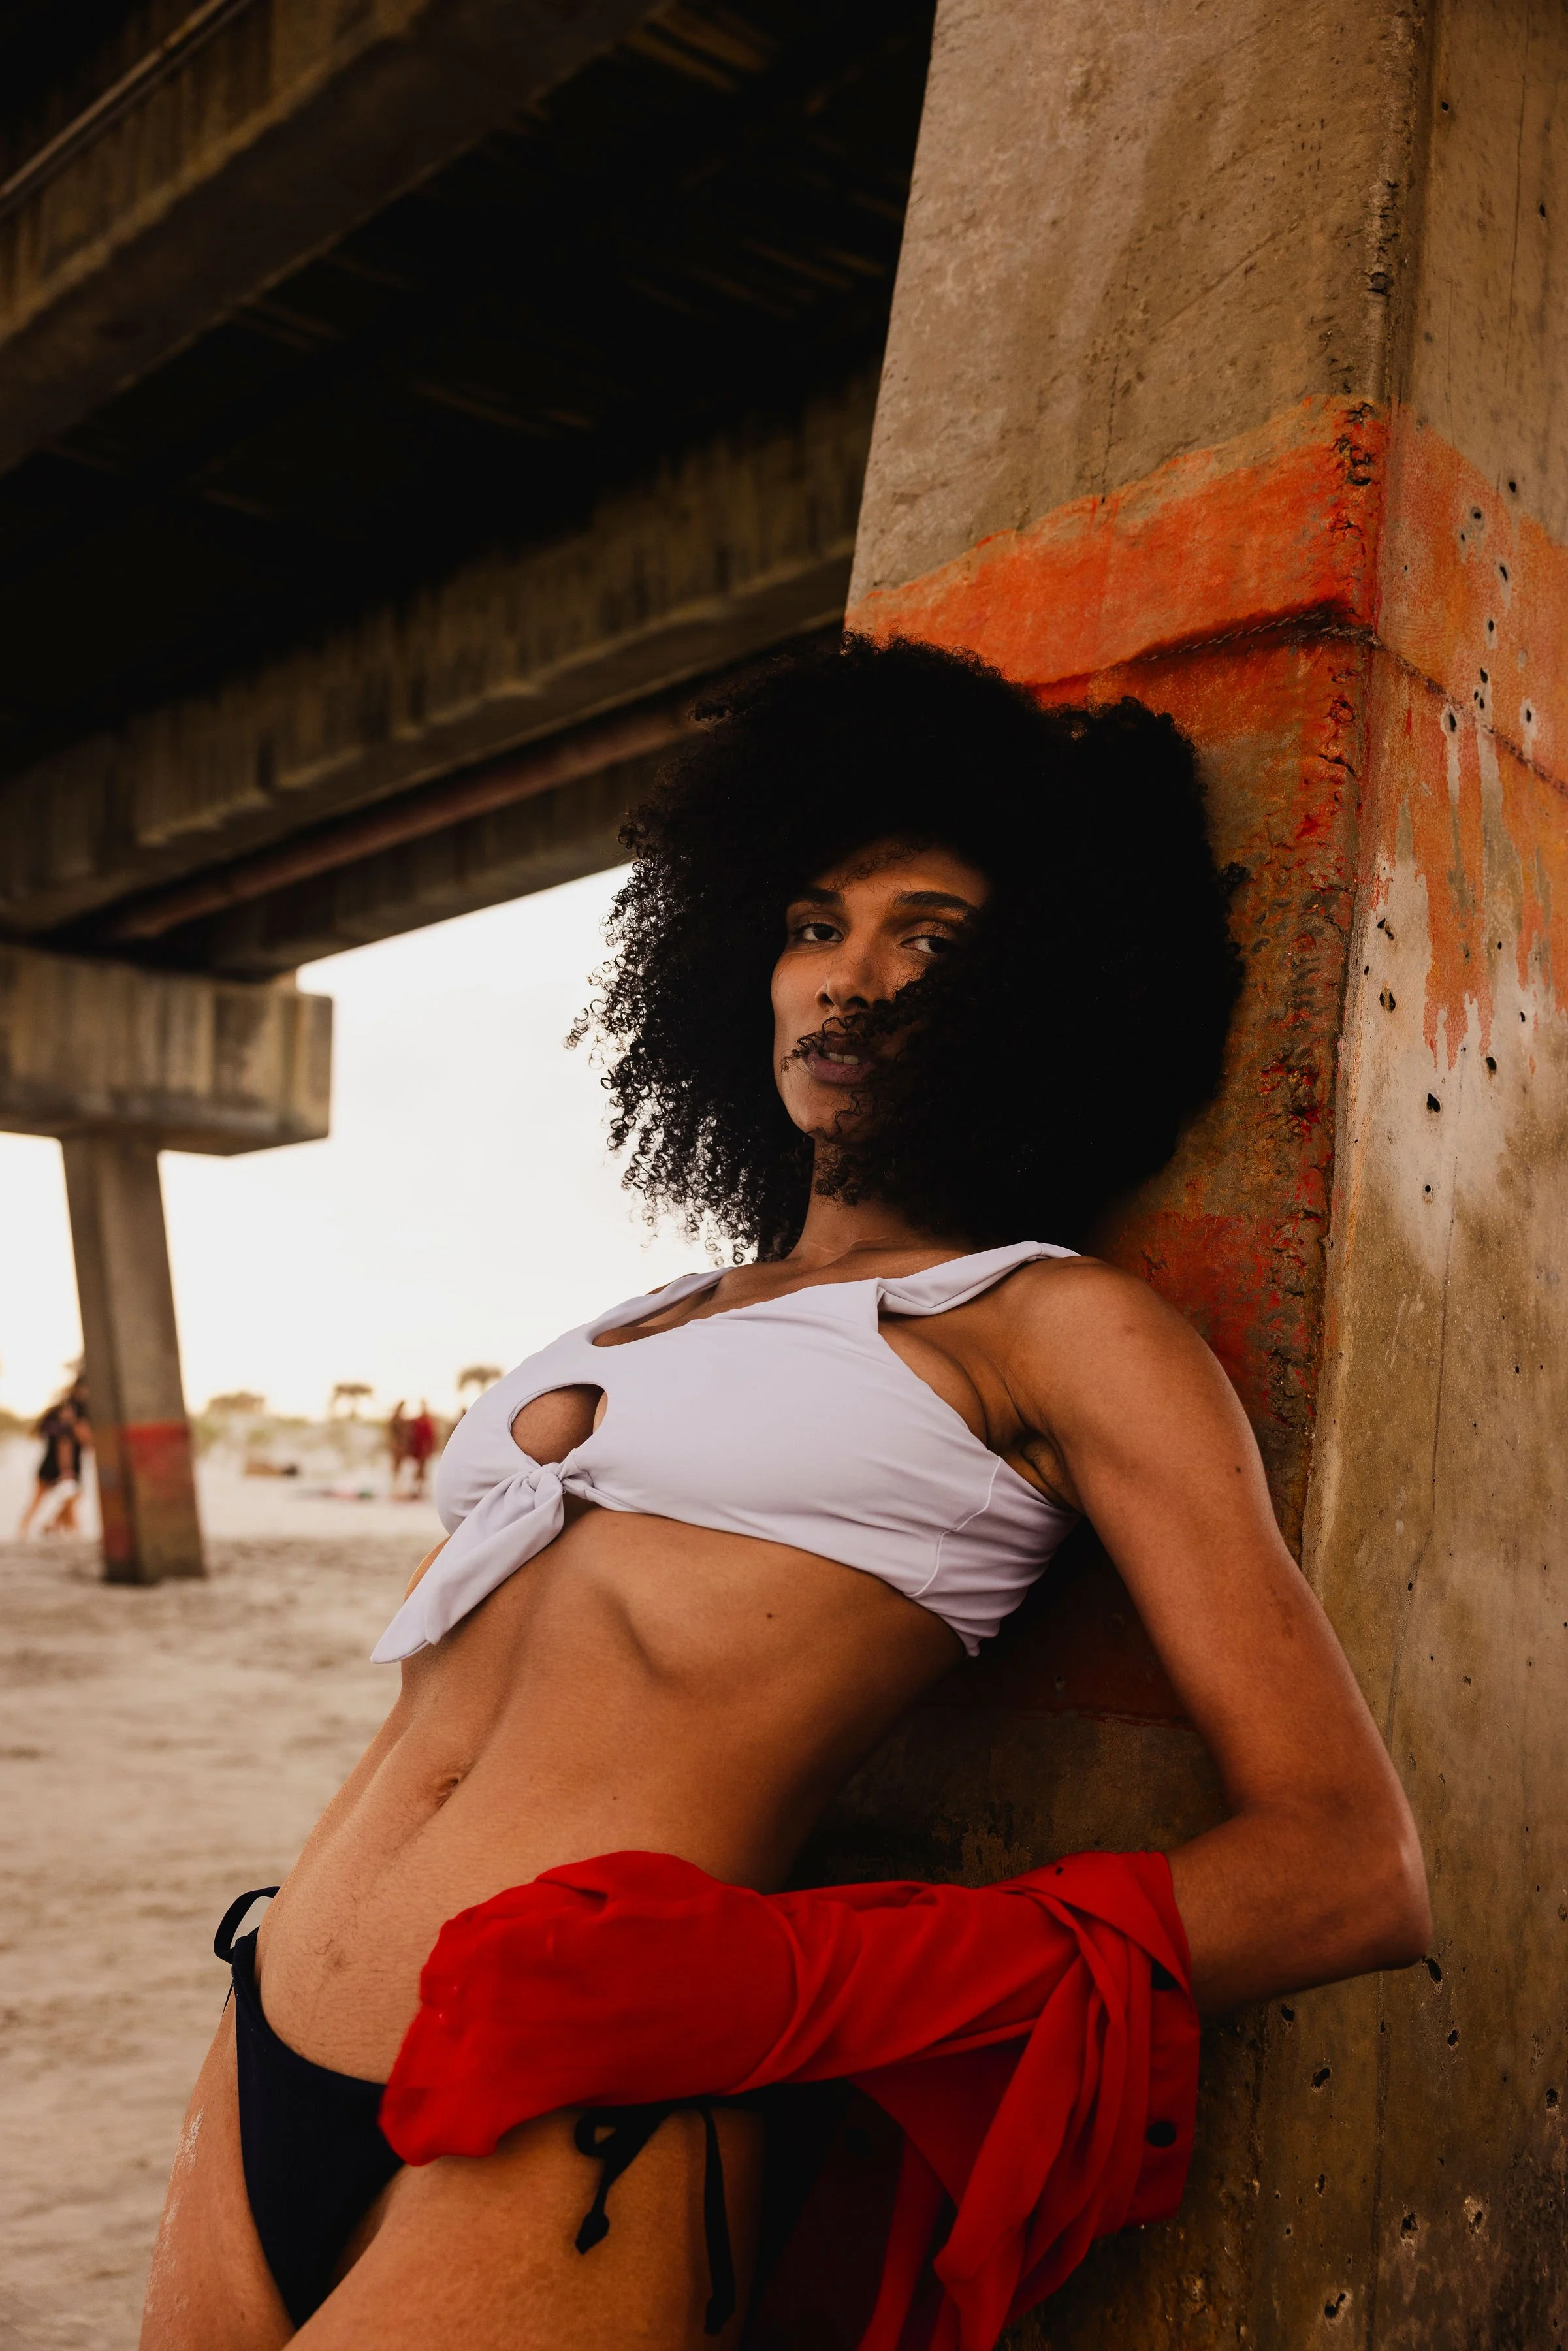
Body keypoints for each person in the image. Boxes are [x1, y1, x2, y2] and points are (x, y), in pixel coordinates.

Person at [141, 637, 1429, 2351]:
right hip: (269, 2039)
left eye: (930, 939)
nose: (852, 980)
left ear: (1043, 991)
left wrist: (782, 1986)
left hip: (570, 2122)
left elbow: (1350, 1868)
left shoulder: (1054, 1329)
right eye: (815, 926)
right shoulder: (635, 1316)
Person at [17, 1379, 87, 1537]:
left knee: (68, 1500)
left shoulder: (65, 1414)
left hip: (59, 1465)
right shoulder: (66, 1416)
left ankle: (51, 1526)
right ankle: (64, 1530)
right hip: (59, 1466)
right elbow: (66, 1446)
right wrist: (66, 1470)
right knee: (61, 1500)